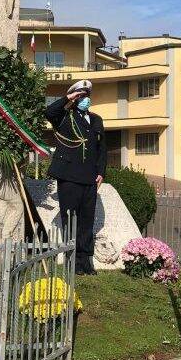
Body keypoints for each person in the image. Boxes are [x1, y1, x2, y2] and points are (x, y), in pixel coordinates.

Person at [45, 80, 106, 275]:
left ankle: (85, 261)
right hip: (69, 176)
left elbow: (101, 149)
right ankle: (72, 260)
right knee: (71, 218)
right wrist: (68, 98)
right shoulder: (65, 116)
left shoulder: (96, 120)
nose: (85, 99)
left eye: (87, 96)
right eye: (81, 96)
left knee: (87, 220)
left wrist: (101, 172)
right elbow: (49, 112)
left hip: (89, 177)